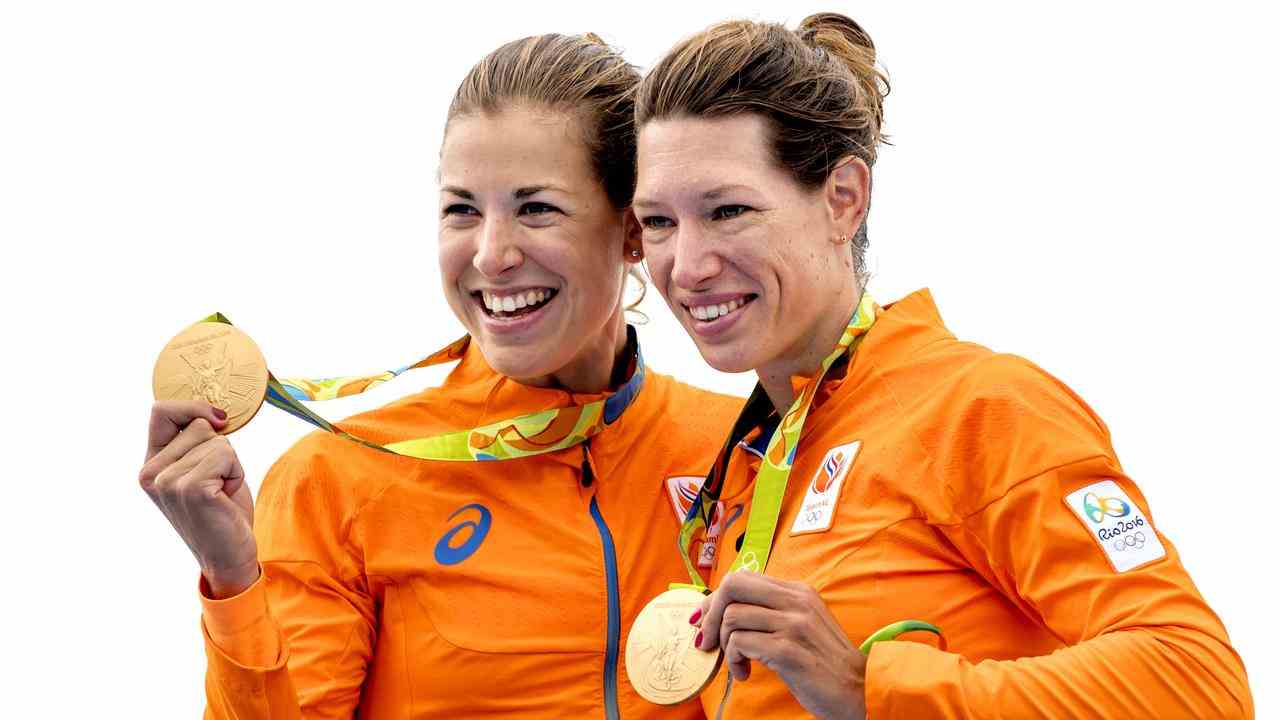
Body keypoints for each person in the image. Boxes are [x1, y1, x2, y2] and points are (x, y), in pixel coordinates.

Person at [631, 12, 1253, 719]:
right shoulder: (741, 468)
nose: (687, 265)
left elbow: (1197, 681)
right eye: (657, 222)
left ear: (843, 199)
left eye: (729, 211)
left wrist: (872, 689)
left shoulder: (979, 407)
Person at [139, 32, 742, 719]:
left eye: (535, 207)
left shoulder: (740, 448)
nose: (491, 253)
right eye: (462, 209)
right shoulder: (339, 482)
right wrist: (234, 580)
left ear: (633, 229)